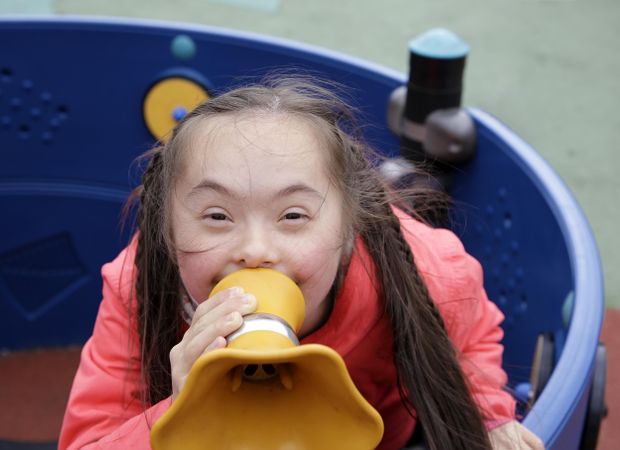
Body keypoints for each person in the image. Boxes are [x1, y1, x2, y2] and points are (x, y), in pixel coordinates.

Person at [59, 76, 544, 450]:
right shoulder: (137, 285)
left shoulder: (421, 266)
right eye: (216, 215)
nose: (254, 249)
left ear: (349, 223)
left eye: (293, 215)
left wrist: (490, 415)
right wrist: (176, 412)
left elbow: (472, 335)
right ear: (167, 229)